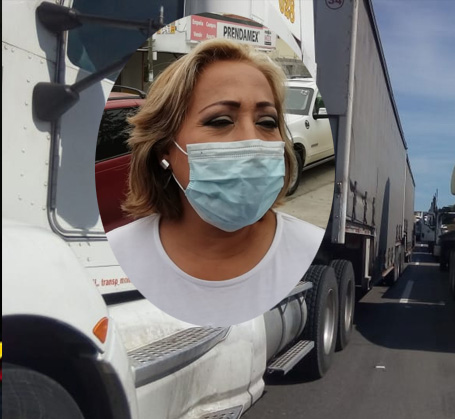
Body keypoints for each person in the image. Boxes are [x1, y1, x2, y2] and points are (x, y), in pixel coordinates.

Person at [106, 39, 324, 327]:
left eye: (267, 122)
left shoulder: (309, 247)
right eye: (220, 121)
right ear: (164, 149)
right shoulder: (116, 256)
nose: (251, 140)